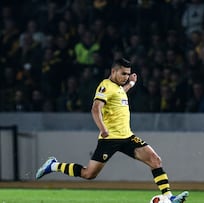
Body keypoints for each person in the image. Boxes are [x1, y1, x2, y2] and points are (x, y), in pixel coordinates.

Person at [35, 58, 189, 203]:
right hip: (110, 139)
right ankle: (53, 165)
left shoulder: (118, 88)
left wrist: (132, 84)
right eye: (123, 74)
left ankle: (169, 197)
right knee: (89, 174)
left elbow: (120, 93)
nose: (126, 77)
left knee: (155, 160)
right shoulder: (105, 86)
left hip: (127, 137)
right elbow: (96, 108)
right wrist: (103, 129)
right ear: (113, 71)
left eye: (128, 74)